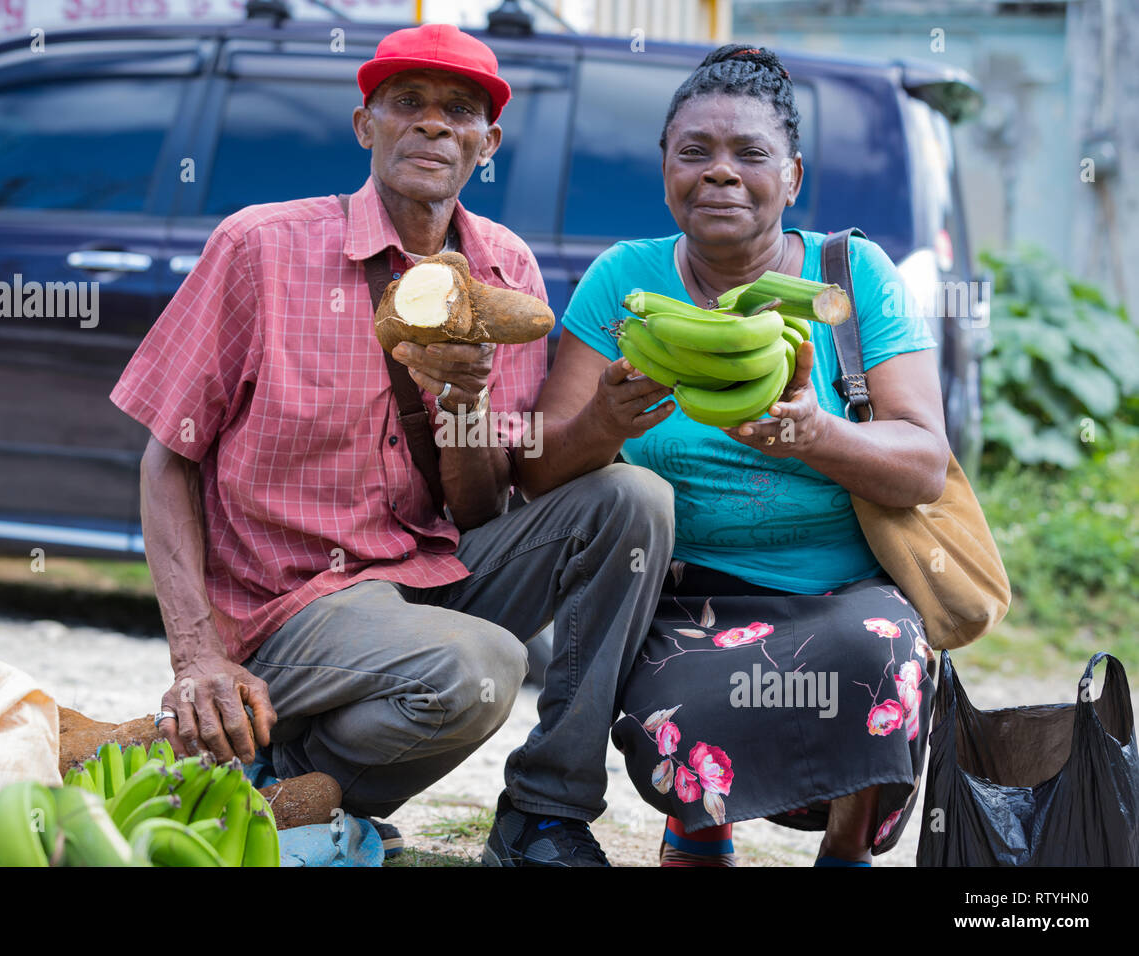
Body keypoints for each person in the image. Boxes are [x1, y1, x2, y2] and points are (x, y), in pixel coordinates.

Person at [109, 23, 672, 867]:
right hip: (288, 606)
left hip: (425, 577)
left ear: (489, 143)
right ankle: (281, 779)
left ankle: (546, 812)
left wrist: (463, 405)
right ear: (364, 124)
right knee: (482, 665)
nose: (433, 125)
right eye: (406, 103)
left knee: (633, 499)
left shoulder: (505, 269)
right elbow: (168, 456)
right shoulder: (261, 247)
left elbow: (483, 506)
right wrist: (197, 658)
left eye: (459, 111)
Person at [516, 44, 948, 867]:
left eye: (749, 154)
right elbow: (537, 471)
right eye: (695, 153)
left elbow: (925, 462)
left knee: (878, 648)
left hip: (838, 592)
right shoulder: (624, 282)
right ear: (666, 169)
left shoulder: (850, 278)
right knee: (678, 706)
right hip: (681, 600)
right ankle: (699, 834)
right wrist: (603, 422)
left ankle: (847, 852)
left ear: (792, 176)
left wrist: (818, 432)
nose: (720, 173)